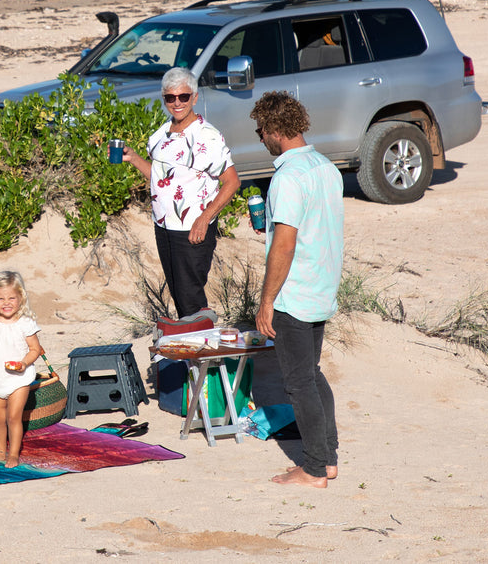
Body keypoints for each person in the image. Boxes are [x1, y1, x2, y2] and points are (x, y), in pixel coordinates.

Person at [249, 92, 344, 489]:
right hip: (321, 283)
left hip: (296, 291)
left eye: (259, 132)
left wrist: (267, 300)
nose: (260, 139)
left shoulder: (287, 177)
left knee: (299, 382)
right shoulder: (325, 167)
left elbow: (285, 244)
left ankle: (315, 468)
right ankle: (329, 457)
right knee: (312, 374)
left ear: (273, 130)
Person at [121, 66, 241, 319]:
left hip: (192, 228)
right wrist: (133, 158)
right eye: (170, 97)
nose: (177, 103)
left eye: (183, 96)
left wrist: (204, 218)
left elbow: (231, 182)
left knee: (191, 300)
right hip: (164, 226)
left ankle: (205, 354)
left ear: (195, 97)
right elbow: (160, 177)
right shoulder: (162, 134)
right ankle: (191, 355)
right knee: (180, 296)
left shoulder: (207, 136)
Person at [0, 270, 45, 467]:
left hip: (19, 379)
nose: (6, 303)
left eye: (11, 298)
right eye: (1, 299)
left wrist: (24, 363)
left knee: (14, 417)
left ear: (20, 298)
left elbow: (35, 349)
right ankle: (0, 451)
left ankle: (13, 453)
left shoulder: (25, 322)